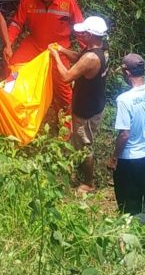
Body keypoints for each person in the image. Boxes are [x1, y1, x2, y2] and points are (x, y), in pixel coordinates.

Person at [8, 0, 84, 127]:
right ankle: (15, 113)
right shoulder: (29, 0)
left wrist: (87, 52)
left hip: (59, 49)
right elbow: (16, 24)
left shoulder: (67, 2)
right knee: (14, 70)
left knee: (64, 90)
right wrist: (8, 44)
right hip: (34, 45)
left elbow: (79, 28)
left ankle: (66, 127)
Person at [49, 16, 109, 192]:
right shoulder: (100, 49)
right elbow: (78, 58)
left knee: (85, 145)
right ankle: (73, 170)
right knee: (77, 141)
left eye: (84, 32)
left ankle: (89, 183)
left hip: (87, 110)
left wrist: (55, 57)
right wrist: (61, 50)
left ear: (91, 35)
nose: (81, 34)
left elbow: (67, 77)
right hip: (94, 103)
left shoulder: (91, 57)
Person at [107, 53, 145, 214]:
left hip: (130, 159)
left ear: (127, 73)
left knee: (129, 203)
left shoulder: (124, 99)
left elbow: (124, 134)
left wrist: (114, 158)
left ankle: (132, 232)